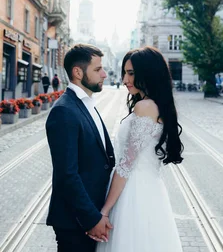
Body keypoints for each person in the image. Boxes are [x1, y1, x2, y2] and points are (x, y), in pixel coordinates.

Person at [96, 46, 184, 252]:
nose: (125, 79)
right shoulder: (157, 105)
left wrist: (105, 210)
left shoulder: (144, 107)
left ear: (149, 73)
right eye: (124, 73)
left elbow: (126, 165)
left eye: (131, 73)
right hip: (150, 190)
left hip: (132, 193)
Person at [46, 44, 115, 252]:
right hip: (75, 222)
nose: (104, 74)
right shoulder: (64, 111)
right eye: (97, 69)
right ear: (77, 72)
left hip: (90, 214)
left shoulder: (86, 104)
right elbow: (67, 175)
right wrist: (92, 219)